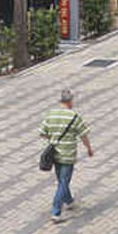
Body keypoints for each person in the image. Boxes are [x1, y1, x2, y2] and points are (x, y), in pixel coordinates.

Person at [38, 89, 93, 224]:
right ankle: (56, 212)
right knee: (64, 181)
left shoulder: (51, 115)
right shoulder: (74, 117)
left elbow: (42, 133)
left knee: (62, 180)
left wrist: (54, 138)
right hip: (68, 155)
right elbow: (83, 135)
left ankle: (69, 201)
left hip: (54, 154)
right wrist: (89, 149)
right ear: (70, 101)